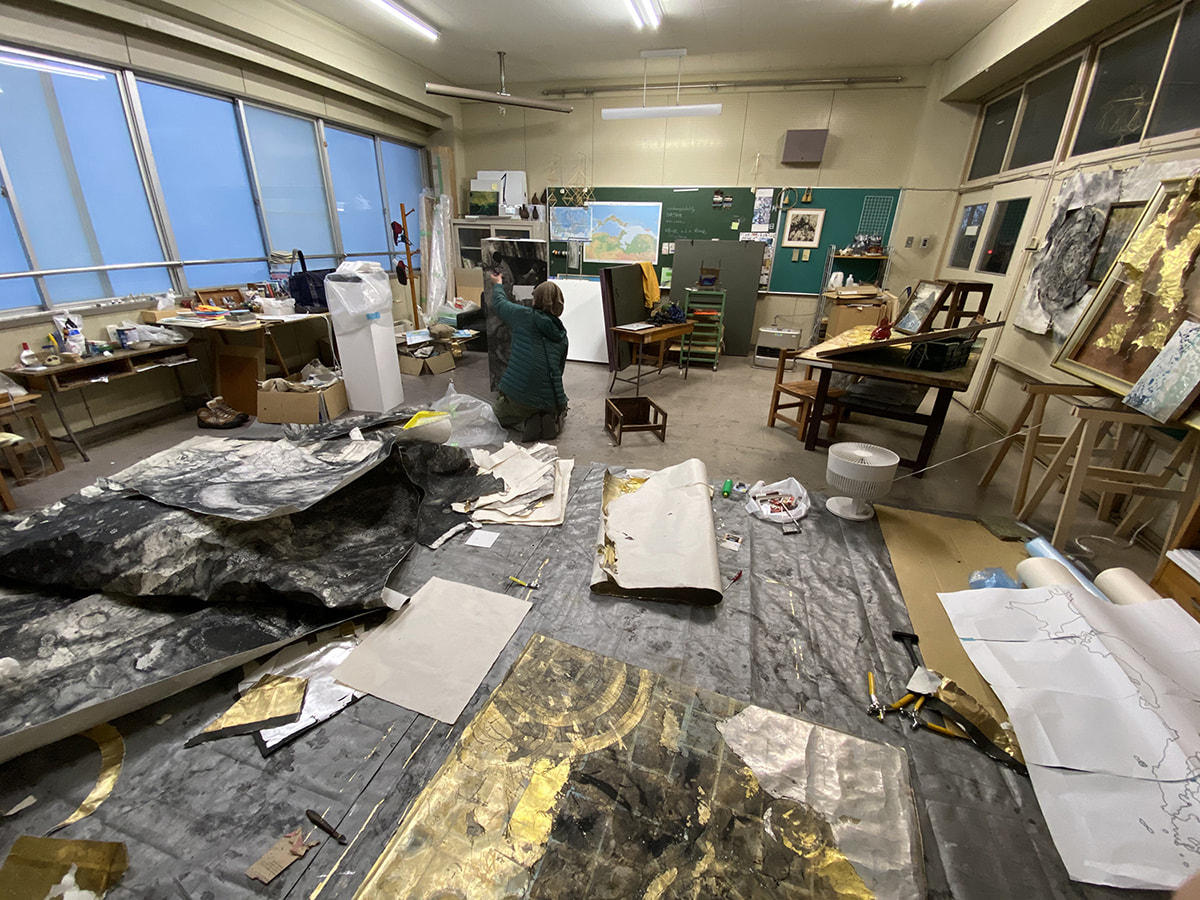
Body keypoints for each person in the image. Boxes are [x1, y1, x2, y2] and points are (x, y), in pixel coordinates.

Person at [488, 272, 569, 440]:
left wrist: (498, 283)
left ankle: (525, 423)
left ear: (535, 300)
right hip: (551, 400)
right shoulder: (562, 335)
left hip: (520, 397)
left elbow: (499, 303)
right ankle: (549, 418)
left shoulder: (522, 315)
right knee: (561, 408)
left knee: (496, 415)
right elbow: (558, 371)